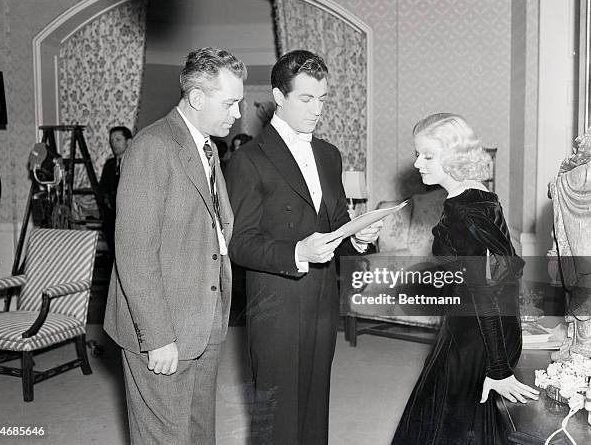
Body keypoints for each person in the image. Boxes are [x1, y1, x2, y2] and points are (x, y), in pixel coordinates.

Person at [225, 49, 382, 444]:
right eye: (306, 99)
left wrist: (358, 238)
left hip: (322, 300)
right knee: (276, 415)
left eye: (323, 99)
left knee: (315, 404)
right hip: (276, 302)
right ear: (279, 97)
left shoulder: (329, 155)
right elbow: (239, 243)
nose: (317, 109)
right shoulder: (248, 160)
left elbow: (334, 225)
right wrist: (297, 252)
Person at [103, 47, 246, 444]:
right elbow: (134, 253)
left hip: (204, 320)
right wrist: (159, 336)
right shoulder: (151, 148)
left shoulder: (208, 147)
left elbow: (216, 226)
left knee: (199, 432)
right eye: (230, 103)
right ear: (198, 98)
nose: (237, 114)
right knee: (163, 437)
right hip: (163, 328)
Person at [392, 113, 539, 445]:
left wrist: (499, 368)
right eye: (418, 153)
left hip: (475, 337)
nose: (417, 163)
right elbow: (508, 267)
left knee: (445, 427)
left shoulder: (463, 212)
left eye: (427, 156)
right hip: (482, 328)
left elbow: (486, 293)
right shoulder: (480, 195)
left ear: (453, 156)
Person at [98, 126, 132, 255]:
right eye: (112, 141)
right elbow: (103, 188)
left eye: (118, 139)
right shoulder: (109, 165)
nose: (114, 144)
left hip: (129, 217)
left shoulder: (136, 162)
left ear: (129, 142)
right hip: (111, 218)